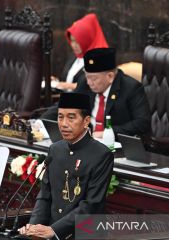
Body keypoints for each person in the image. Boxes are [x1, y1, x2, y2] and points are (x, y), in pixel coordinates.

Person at [19, 92, 114, 240]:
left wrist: (54, 230)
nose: (63, 124)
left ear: (86, 121)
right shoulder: (55, 149)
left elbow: (91, 206)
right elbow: (45, 196)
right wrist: (34, 228)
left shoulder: (101, 155)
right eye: (60, 116)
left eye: (71, 117)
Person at [41, 48, 151, 138]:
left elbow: (142, 123)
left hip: (117, 146)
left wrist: (108, 133)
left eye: (93, 78)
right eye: (87, 76)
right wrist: (41, 122)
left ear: (110, 76)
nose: (89, 82)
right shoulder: (85, 82)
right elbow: (66, 104)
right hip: (87, 142)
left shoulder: (131, 88)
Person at [54, 13, 108, 91]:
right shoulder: (75, 56)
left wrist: (69, 86)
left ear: (87, 39)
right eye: (72, 41)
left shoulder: (101, 58)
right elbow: (68, 78)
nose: (73, 45)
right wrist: (56, 81)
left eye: (77, 41)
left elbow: (96, 87)